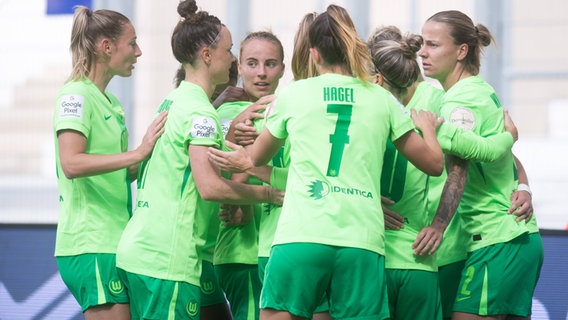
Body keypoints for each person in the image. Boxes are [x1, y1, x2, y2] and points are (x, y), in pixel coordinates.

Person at [212, 4, 444, 319]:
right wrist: (428, 129)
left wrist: (241, 156)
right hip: (361, 240)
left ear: (315, 54)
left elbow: (255, 157)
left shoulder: (292, 96)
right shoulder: (382, 99)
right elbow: (434, 164)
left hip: (301, 234)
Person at [115, 1, 283, 319]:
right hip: (167, 258)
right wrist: (267, 193)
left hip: (141, 250)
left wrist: (231, 137)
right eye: (230, 50)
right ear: (207, 55)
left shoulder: (173, 99)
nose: (232, 59)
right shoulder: (200, 111)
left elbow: (189, 170)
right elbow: (208, 186)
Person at [367, 25, 522, 320]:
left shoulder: (441, 103)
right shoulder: (373, 105)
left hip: (439, 250)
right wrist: (369, 201)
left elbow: (481, 158)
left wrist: (523, 187)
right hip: (381, 247)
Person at [412, 10, 543, 320]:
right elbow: (502, 154)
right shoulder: (475, 90)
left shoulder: (462, 101)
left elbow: (460, 166)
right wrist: (522, 184)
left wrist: (438, 226)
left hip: (497, 240)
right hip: (514, 238)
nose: (422, 52)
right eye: (421, 44)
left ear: (461, 51)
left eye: (432, 45)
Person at [53, 6, 167, 320]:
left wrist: (161, 154)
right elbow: (72, 163)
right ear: (106, 47)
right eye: (132, 43)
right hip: (89, 243)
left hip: (114, 241)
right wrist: (138, 152)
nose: (139, 51)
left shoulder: (110, 102)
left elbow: (116, 172)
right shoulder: (74, 96)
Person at [213, 30, 285, 320]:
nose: (261, 73)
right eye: (252, 64)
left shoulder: (281, 110)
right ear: (239, 67)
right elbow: (223, 174)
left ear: (283, 67)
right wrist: (237, 204)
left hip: (270, 248)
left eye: (270, 64)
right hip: (243, 251)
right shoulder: (233, 112)